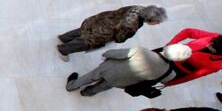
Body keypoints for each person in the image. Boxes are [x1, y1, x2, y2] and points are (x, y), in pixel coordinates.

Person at [66, 44, 194, 97]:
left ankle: (72, 85)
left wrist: (106, 54)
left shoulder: (142, 51)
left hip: (109, 69)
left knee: (90, 76)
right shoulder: (169, 74)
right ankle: (88, 93)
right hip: (122, 82)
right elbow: (164, 81)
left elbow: (117, 54)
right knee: (104, 86)